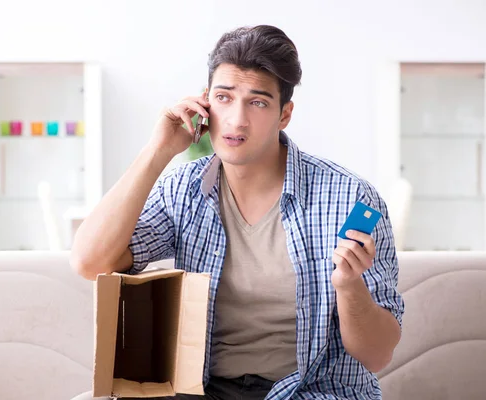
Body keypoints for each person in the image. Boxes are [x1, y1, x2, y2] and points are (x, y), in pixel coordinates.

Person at [70, 24, 404, 400]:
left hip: (312, 391)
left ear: (284, 115)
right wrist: (158, 151)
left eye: (258, 102)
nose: (237, 119)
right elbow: (89, 262)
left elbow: (376, 355)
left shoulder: (351, 198)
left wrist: (348, 287)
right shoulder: (183, 189)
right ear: (205, 103)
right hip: (202, 391)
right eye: (224, 98)